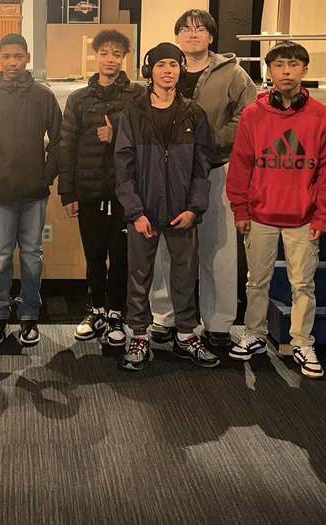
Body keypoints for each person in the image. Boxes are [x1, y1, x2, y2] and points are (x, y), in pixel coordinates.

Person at [226, 41, 326, 379]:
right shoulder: (253, 114)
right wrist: (240, 209)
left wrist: (322, 214)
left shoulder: (321, 116)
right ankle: (254, 334)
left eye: (293, 64)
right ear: (270, 71)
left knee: (303, 284)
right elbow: (241, 165)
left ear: (305, 70)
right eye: (279, 65)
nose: (286, 71)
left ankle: (303, 342)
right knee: (256, 282)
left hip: (303, 217)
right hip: (259, 215)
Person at [147, 9, 257, 353]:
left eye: (200, 29)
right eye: (185, 29)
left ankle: (219, 322)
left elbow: (248, 114)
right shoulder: (167, 68)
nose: (192, 34)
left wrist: (212, 139)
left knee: (218, 248)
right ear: (177, 36)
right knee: (166, 246)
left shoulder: (233, 73)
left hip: (215, 168)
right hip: (169, 173)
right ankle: (164, 316)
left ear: (211, 36)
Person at [114, 42, 216, 371]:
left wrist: (194, 209)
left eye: (173, 64)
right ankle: (139, 335)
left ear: (180, 69)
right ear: (150, 71)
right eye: (161, 65)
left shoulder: (194, 113)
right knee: (138, 276)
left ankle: (186, 335)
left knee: (185, 275)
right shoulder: (133, 112)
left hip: (182, 212)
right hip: (143, 212)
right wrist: (135, 212)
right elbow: (123, 166)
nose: (167, 71)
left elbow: (202, 167)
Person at [0, 34, 62, 347]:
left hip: (33, 193)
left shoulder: (43, 96)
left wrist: (46, 176)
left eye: (18, 56)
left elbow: (60, 141)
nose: (12, 63)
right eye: (6, 57)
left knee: (32, 257)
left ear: (27, 58)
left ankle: (29, 315)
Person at [59, 29, 144, 347]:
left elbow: (146, 136)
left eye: (117, 54)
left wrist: (117, 133)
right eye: (105, 53)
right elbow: (66, 146)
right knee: (94, 255)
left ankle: (117, 314)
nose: (110, 59)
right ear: (96, 56)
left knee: (121, 258)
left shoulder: (137, 95)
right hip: (89, 190)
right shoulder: (79, 99)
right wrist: (68, 192)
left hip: (125, 193)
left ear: (124, 58)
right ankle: (95, 310)